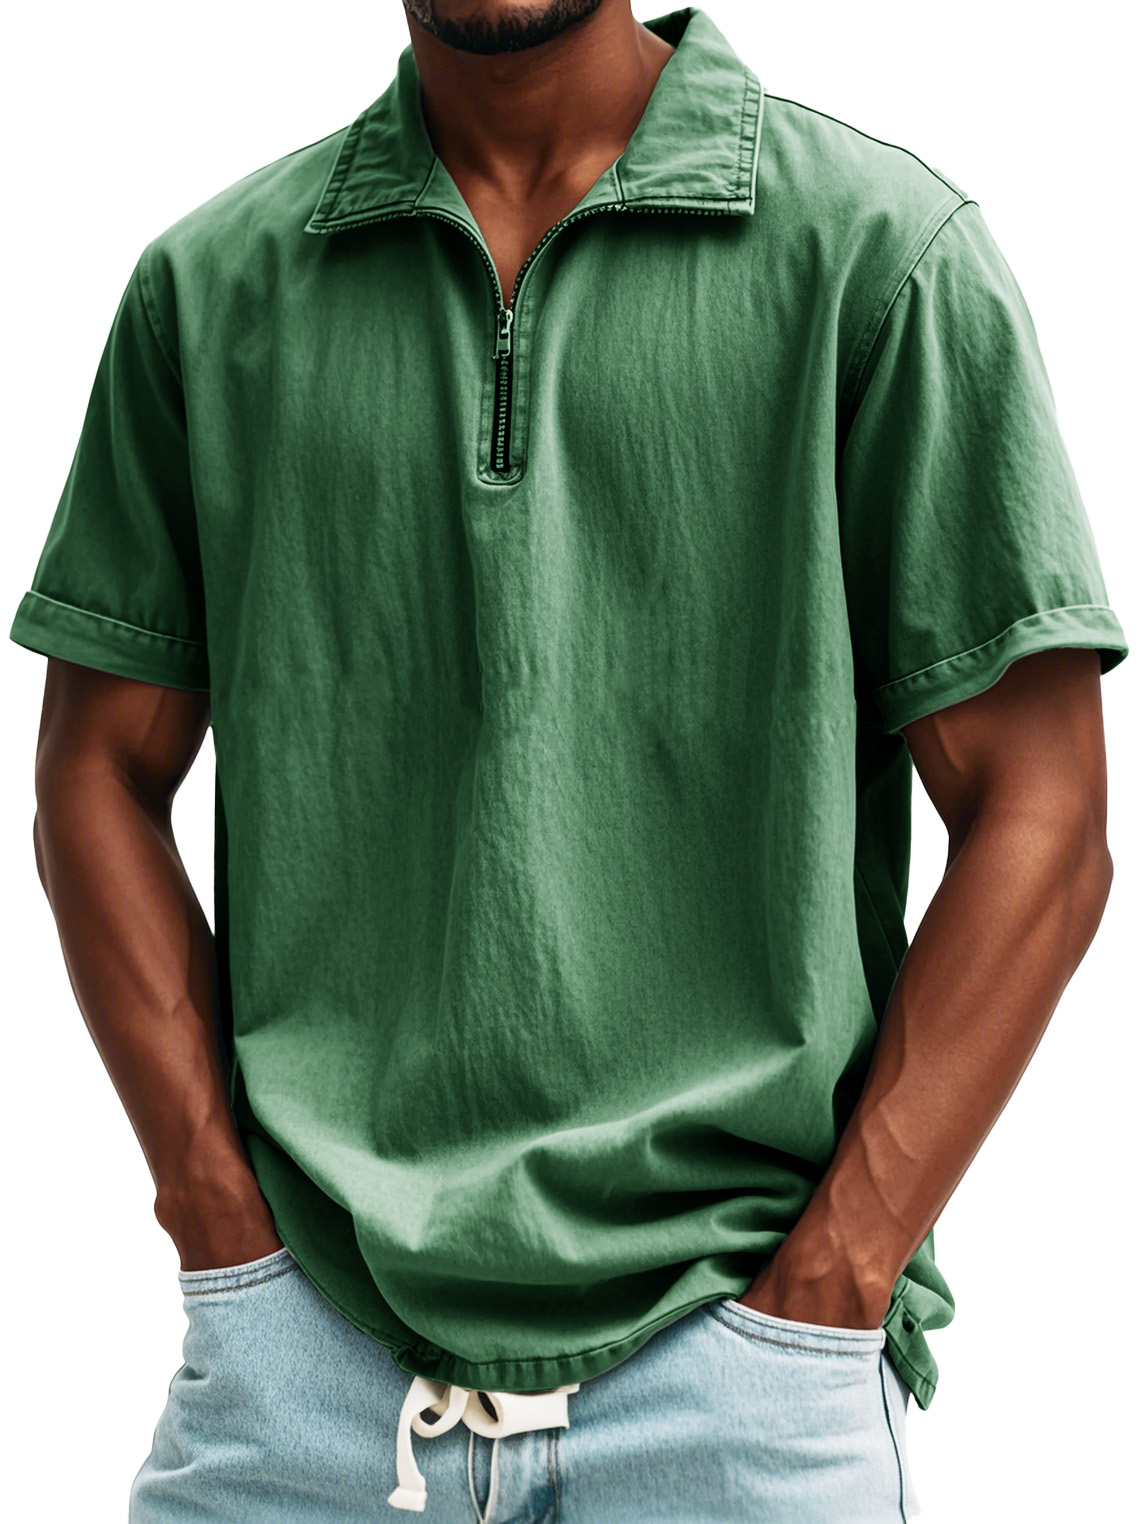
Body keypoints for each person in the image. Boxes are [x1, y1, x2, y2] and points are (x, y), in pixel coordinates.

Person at [10, 2, 1129, 1520]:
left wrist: (841, 1270)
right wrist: (214, 1214)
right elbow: (95, 770)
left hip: (738, 1381)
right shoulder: (210, 293)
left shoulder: (881, 259)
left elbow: (1042, 812)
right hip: (306, 1377)